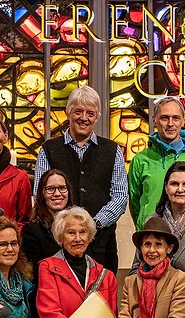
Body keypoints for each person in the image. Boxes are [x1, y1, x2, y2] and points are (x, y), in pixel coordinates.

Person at [34, 86, 128, 274]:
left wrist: (93, 225)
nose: (84, 118)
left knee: (101, 292)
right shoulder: (48, 149)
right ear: (68, 112)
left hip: (101, 245)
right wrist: (66, 228)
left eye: (90, 113)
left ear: (97, 116)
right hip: (57, 244)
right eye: (78, 111)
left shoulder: (112, 150)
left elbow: (120, 197)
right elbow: (41, 194)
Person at [128, 96, 185, 230]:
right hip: (152, 234)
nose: (170, 123)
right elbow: (135, 203)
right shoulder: (141, 160)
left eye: (176, 118)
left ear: (182, 121)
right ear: (154, 121)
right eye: (164, 118)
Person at [129, 161, 185, 287]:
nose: (180, 189)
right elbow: (136, 267)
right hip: (153, 293)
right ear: (166, 187)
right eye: (174, 184)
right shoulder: (152, 220)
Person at [21, 169, 72, 272]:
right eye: (50, 189)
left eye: (62, 188)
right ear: (42, 193)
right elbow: (35, 271)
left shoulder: (79, 226)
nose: (57, 193)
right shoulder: (31, 231)